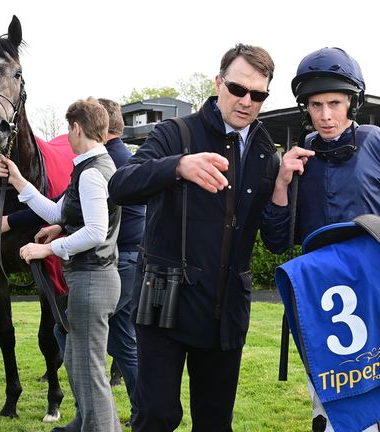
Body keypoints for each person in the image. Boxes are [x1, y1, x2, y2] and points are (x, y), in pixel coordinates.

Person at [108, 43, 279, 432]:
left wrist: (283, 191)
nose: (246, 101)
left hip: (226, 309)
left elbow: (275, 238)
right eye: (237, 89)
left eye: (258, 95)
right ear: (219, 83)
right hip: (164, 302)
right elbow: (120, 185)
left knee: (216, 423)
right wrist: (178, 166)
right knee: (157, 416)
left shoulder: (267, 153)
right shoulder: (176, 133)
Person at [260, 47, 380, 432]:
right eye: (316, 104)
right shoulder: (298, 159)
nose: (325, 115)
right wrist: (282, 183)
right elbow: (275, 241)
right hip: (322, 304)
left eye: (334, 103)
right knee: (327, 408)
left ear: (352, 103)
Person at [0, 97, 123, 432]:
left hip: (92, 280)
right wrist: (20, 181)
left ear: (76, 128)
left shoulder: (91, 173)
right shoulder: (91, 166)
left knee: (88, 372)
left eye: (68, 129)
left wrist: (48, 249)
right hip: (94, 279)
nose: (67, 136)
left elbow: (95, 232)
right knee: (86, 370)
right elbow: (58, 212)